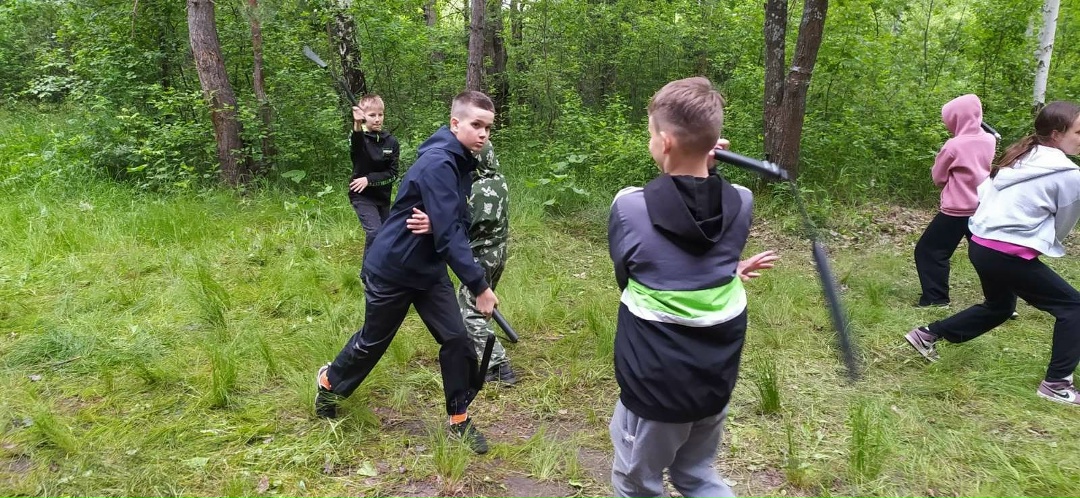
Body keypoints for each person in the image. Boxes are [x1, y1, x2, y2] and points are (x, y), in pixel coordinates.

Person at [607, 76, 778, 498]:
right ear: (715, 144)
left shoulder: (628, 206)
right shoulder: (742, 199)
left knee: (637, 484)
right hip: (714, 376)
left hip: (656, 384)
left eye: (651, 134)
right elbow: (704, 243)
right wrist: (707, 166)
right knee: (696, 475)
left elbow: (629, 275)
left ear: (665, 142)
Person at [315, 91, 500, 454]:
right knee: (373, 342)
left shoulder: (462, 161)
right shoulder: (439, 162)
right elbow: (451, 235)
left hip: (428, 270)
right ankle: (329, 382)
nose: (483, 134)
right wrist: (479, 286)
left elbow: (459, 220)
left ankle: (459, 417)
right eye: (476, 125)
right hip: (393, 269)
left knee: (456, 340)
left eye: (488, 128)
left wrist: (439, 222)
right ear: (455, 124)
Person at [905, 101, 1080, 407]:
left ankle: (927, 335)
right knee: (1074, 308)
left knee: (999, 307)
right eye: (1079, 132)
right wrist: (1037, 241)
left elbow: (986, 191)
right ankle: (1056, 384)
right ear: (1056, 134)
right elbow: (1063, 223)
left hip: (982, 244)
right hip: (1005, 252)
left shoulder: (1024, 155)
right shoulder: (1068, 174)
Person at [405, 142, 519, 385]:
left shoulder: (478, 189)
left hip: (482, 256)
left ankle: (498, 366)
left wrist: (436, 225)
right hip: (498, 252)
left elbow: (463, 224)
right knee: (479, 301)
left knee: (469, 312)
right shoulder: (499, 181)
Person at [914, 94, 996, 307]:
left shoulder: (954, 146)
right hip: (982, 207)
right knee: (988, 255)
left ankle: (936, 299)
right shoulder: (990, 140)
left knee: (930, 251)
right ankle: (1001, 300)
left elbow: (938, 177)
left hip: (957, 210)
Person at [347, 94, 400, 272]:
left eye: (380, 114)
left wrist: (369, 179)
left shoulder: (391, 142)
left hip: (382, 198)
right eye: (372, 115)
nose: (377, 119)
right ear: (364, 117)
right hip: (361, 196)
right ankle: (368, 276)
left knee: (387, 237)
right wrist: (357, 125)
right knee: (375, 232)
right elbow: (356, 146)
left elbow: (393, 174)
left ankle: (384, 273)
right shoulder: (359, 137)